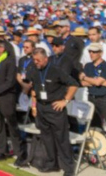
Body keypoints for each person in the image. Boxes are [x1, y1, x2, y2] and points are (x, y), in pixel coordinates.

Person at [26, 48, 78, 176]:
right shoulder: (33, 70)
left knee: (61, 139)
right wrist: (33, 106)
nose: (36, 62)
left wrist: (65, 101)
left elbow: (74, 85)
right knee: (46, 138)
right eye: (34, 60)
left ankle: (68, 168)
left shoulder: (56, 70)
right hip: (41, 107)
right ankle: (51, 164)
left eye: (38, 60)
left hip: (55, 108)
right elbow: (33, 90)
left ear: (46, 59)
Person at [79, 42, 106, 168]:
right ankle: (95, 154)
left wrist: (90, 80)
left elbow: (97, 82)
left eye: (94, 52)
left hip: (105, 99)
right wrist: (94, 81)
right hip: (91, 98)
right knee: (93, 128)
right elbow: (83, 83)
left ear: (101, 53)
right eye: (90, 52)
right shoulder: (87, 66)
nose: (91, 54)